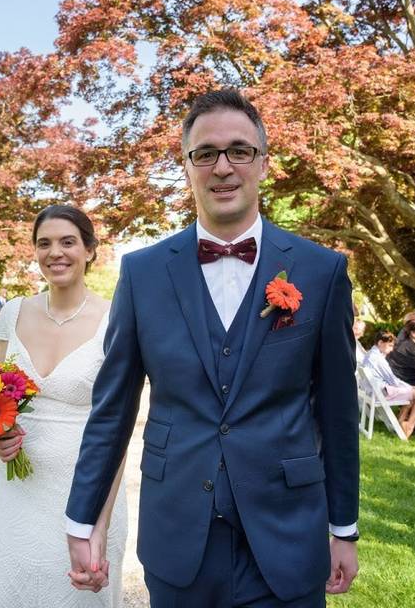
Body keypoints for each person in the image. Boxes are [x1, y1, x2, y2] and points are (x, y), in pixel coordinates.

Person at [65, 90, 359, 606]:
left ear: (263, 163)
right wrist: (82, 518)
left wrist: (344, 528)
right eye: (206, 153)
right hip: (179, 534)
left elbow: (337, 411)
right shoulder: (142, 272)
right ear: (188, 167)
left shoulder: (322, 270)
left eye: (239, 150)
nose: (223, 167)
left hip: (287, 536)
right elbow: (112, 410)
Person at [0, 205, 127, 607]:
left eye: (68, 242)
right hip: (18, 488)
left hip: (86, 485)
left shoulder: (116, 319)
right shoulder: (13, 313)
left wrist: (99, 519)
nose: (55, 253)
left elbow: (120, 426)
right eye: (44, 243)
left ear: (90, 250)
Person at [362, 331, 415, 438]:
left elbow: (392, 380)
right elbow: (393, 381)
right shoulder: (378, 359)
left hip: (373, 391)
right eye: (390, 345)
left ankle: (400, 422)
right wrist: (410, 387)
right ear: (380, 343)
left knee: (414, 392)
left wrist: (410, 387)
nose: (392, 349)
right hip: (381, 392)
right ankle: (409, 425)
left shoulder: (371, 354)